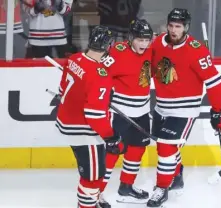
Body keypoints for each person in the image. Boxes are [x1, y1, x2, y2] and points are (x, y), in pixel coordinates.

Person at [147, 8, 221, 207]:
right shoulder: (157, 43)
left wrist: (219, 110)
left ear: (186, 28)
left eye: (178, 27)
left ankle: (161, 188)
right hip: (161, 107)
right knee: (164, 147)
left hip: (184, 110)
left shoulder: (196, 49)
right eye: (171, 26)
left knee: (166, 147)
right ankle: (176, 176)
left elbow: (215, 82)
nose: (173, 30)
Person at [55, 25, 124, 208]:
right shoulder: (98, 75)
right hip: (84, 131)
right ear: (108, 45)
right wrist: (111, 136)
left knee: (90, 174)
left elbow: (63, 89)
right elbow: (94, 116)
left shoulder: (75, 58)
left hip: (66, 122)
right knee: (93, 178)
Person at [98, 19, 153, 207]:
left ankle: (126, 188)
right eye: (140, 40)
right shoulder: (117, 52)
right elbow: (99, 72)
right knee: (112, 152)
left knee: (137, 150)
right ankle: (96, 193)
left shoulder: (151, 52)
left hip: (143, 111)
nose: (144, 44)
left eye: (147, 40)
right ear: (131, 38)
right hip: (120, 113)